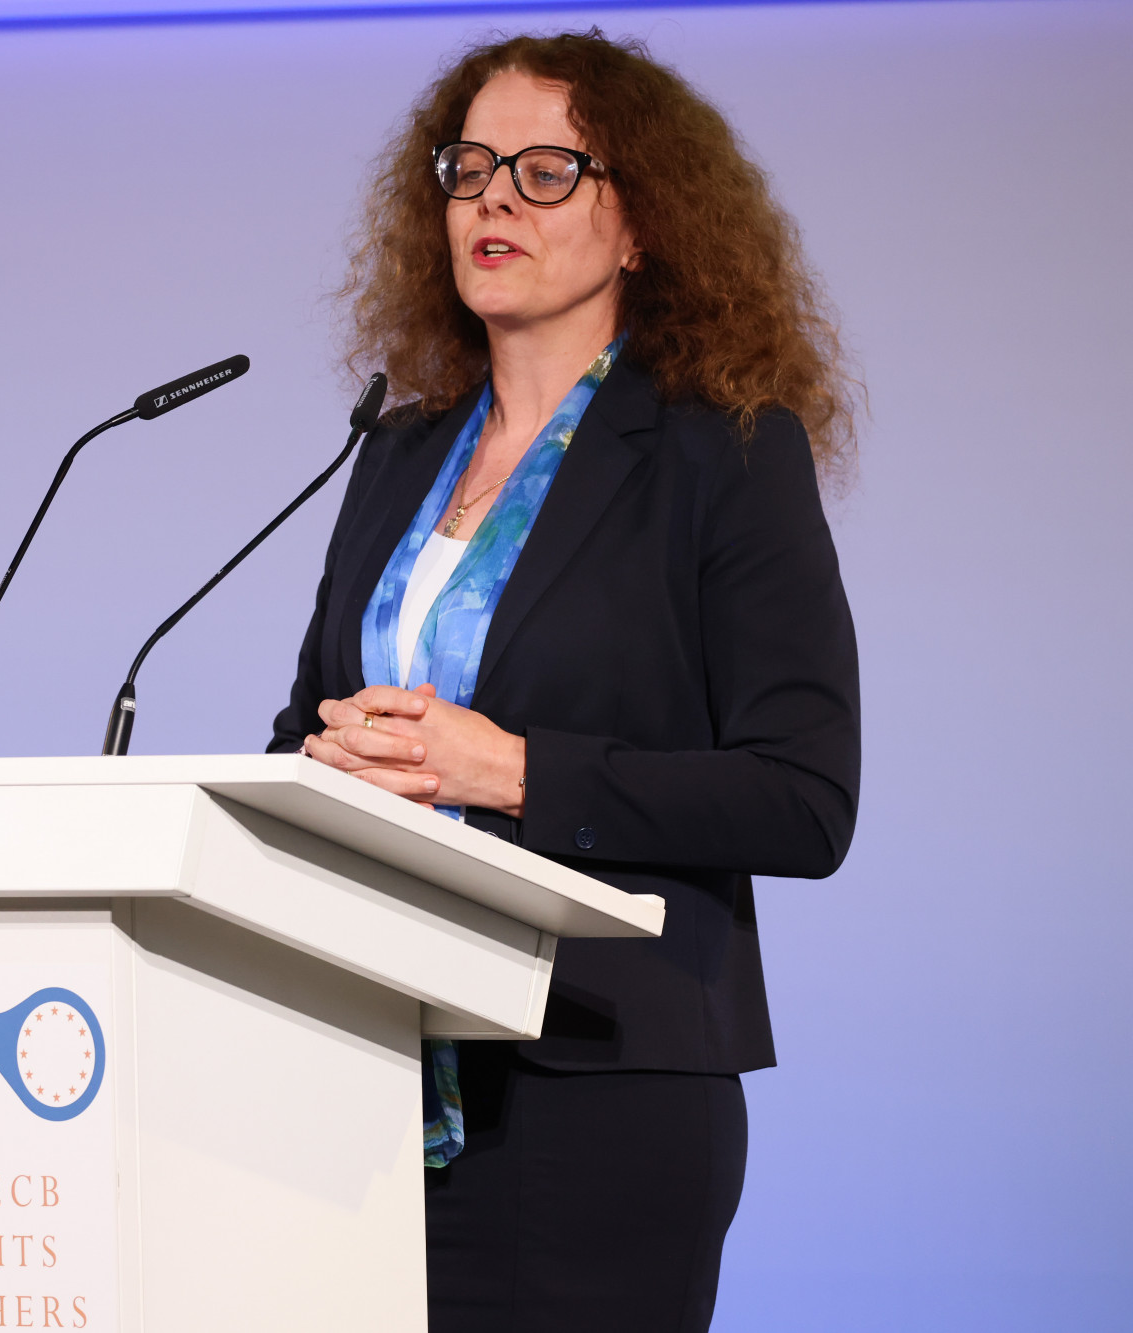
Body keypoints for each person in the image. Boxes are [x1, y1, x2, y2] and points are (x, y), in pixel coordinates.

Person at [268, 30, 861, 1332]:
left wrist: (513, 771)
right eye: (470, 168)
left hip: (597, 1088)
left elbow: (804, 799)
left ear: (641, 224)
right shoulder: (397, 453)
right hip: (364, 1076)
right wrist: (318, 767)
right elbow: (301, 727)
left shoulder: (722, 455)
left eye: (546, 172)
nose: (494, 199)